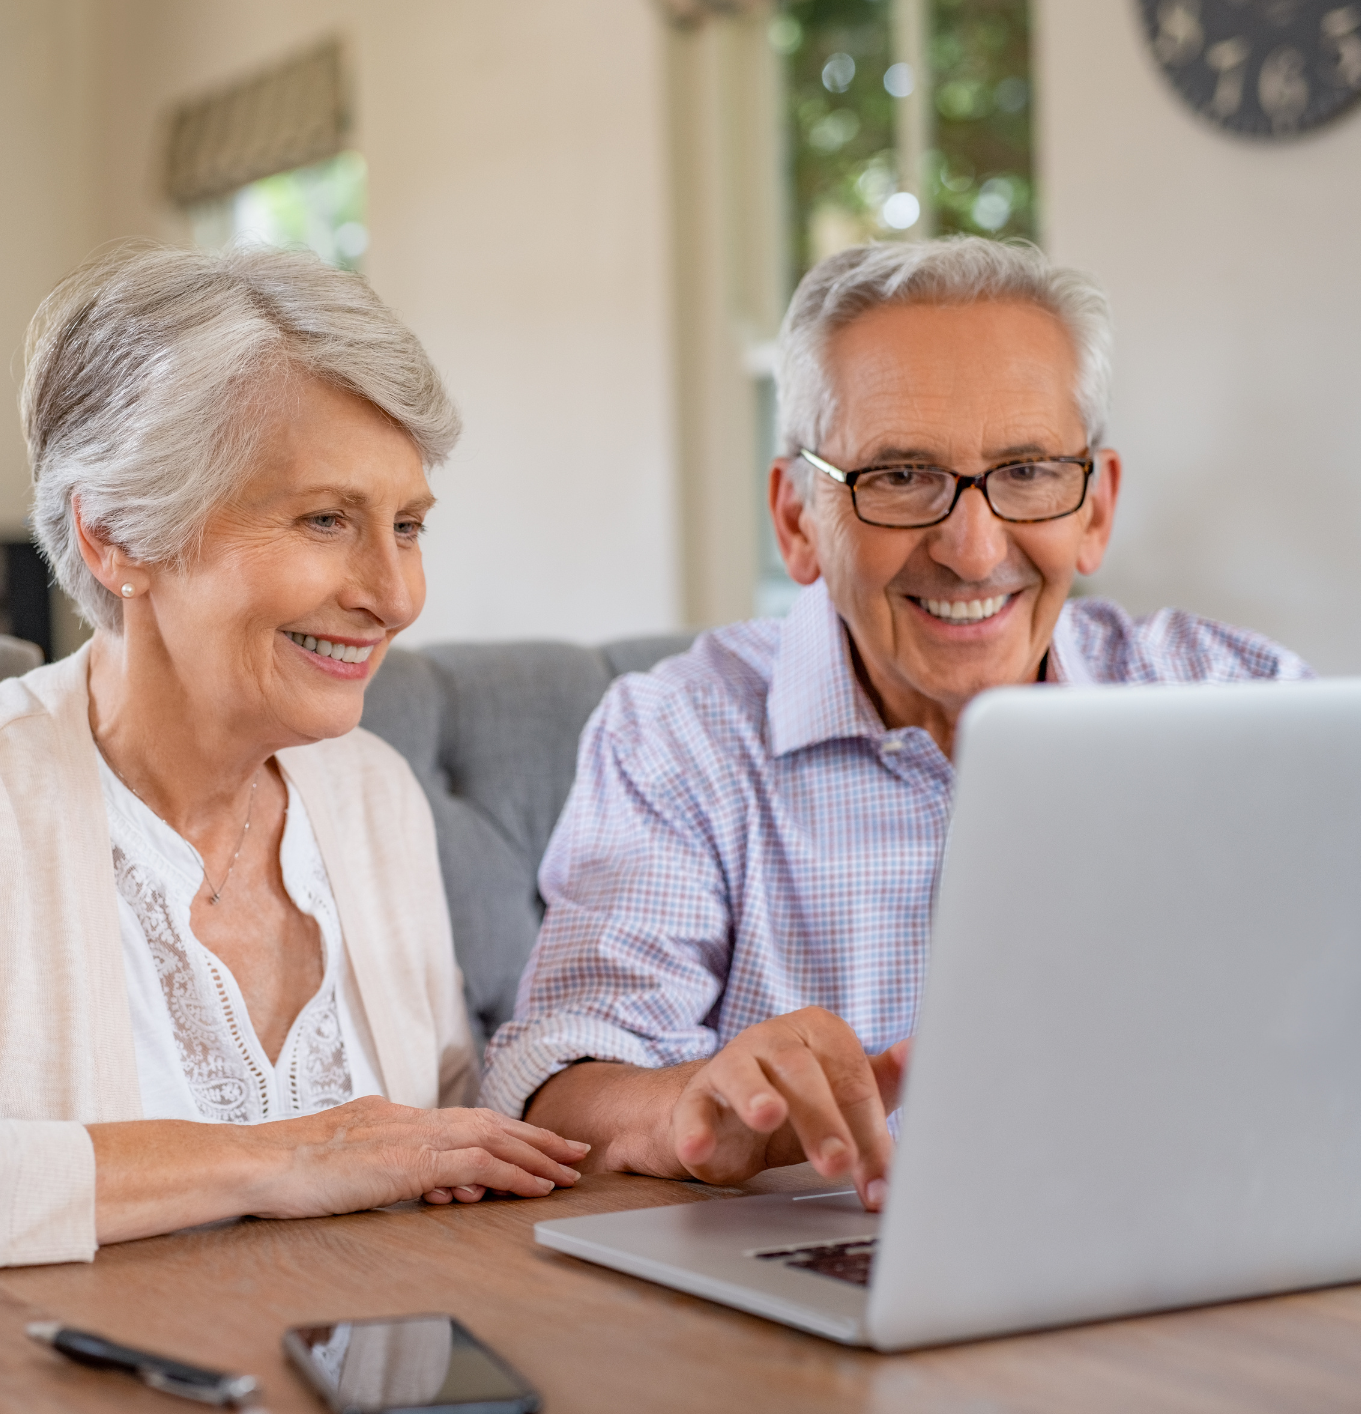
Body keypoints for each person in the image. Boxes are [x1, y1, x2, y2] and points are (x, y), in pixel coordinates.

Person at [480, 236, 1310, 1212]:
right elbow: (561, 1072)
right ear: (796, 519)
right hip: (819, 1298)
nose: (971, 547)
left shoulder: (1237, 696)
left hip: (1203, 1249)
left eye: (1030, 470)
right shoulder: (677, 734)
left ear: (1095, 506)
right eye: (901, 476)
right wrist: (685, 1113)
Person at [0, 245, 586, 1275]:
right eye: (325, 518)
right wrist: (275, 1158)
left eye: (408, 525)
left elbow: (443, 1139)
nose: (393, 592)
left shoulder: (372, 794)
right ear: (116, 535)